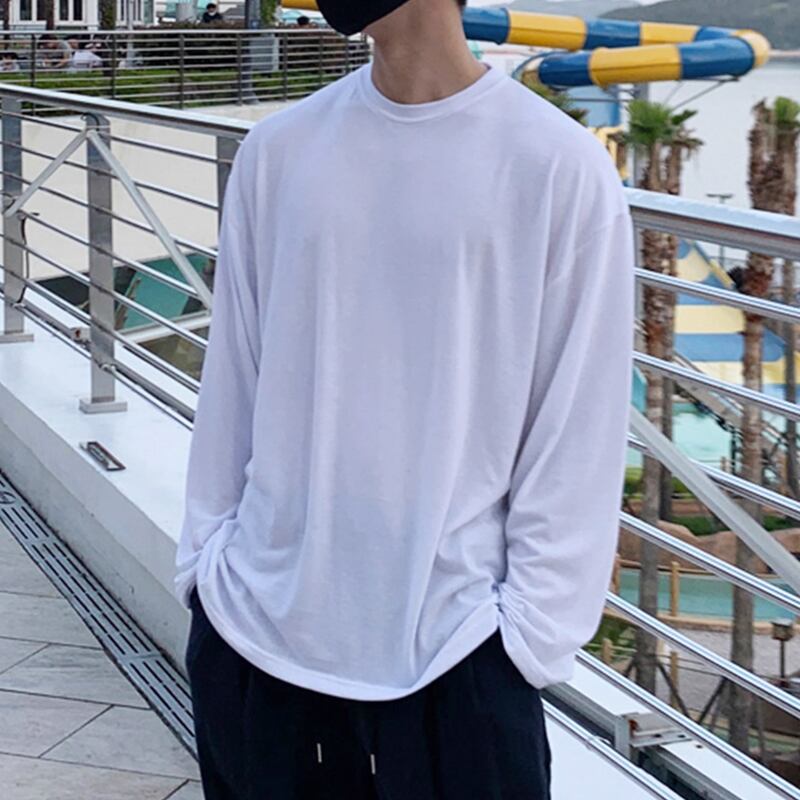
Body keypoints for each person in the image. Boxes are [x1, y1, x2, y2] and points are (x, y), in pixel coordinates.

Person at [174, 0, 635, 797]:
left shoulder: (554, 162)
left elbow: (578, 421)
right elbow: (235, 376)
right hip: (253, 633)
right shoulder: (280, 149)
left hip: (460, 653)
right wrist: (204, 570)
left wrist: (526, 642)